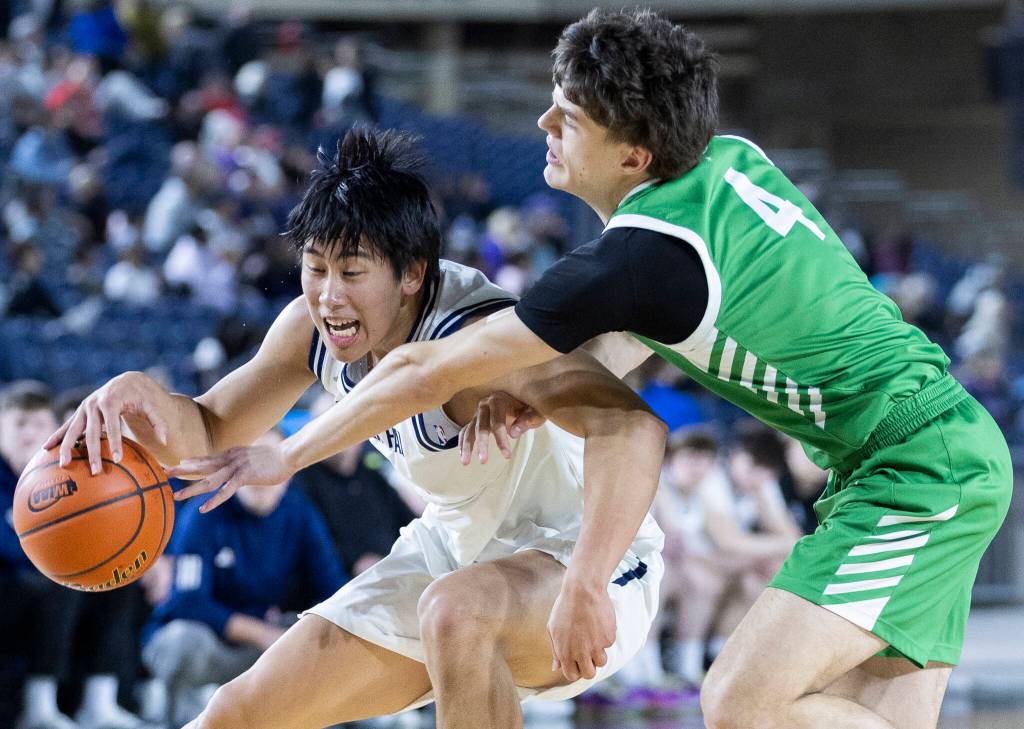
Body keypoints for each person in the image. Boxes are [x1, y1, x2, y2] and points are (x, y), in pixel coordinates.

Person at [135, 9, 1012, 729]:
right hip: (909, 454)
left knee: (742, 704)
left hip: (915, 467)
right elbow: (686, 315)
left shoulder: (634, 258)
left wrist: (283, 454)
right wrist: (547, 382)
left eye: (570, 118)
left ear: (634, 155)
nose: (545, 127)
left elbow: (418, 372)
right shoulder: (723, 163)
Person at [48, 127, 665, 729]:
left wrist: (586, 582)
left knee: (458, 611)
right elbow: (210, 430)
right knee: (236, 716)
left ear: (413, 274)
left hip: (587, 554)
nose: (328, 297)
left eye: (351, 271)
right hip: (451, 550)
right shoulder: (311, 331)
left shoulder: (482, 337)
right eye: (314, 268)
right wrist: (140, 399)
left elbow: (632, 428)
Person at [142, 429, 345, 726]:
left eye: (268, 464)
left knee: (323, 632)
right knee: (183, 640)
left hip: (265, 638)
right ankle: (182, 713)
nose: (259, 477)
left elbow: (332, 587)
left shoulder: (300, 513)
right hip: (211, 641)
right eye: (251, 462)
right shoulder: (203, 513)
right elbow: (188, 603)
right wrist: (264, 634)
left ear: (287, 472)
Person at [0, 381, 153, 729]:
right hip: (9, 584)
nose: (28, 433)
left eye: (38, 424)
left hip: (41, 584)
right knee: (58, 584)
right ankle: (37, 706)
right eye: (19, 423)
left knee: (116, 579)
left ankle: (99, 701)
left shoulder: (60, 473)